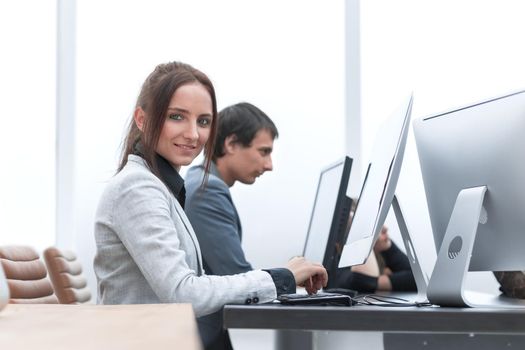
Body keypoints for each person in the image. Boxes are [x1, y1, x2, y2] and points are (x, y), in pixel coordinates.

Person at [93, 62, 327, 327]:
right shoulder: (137, 188)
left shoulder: (160, 186)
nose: (193, 134)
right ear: (142, 119)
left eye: (203, 121)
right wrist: (281, 277)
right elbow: (184, 292)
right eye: (176, 116)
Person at [184, 102, 277, 349]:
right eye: (264, 152)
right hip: (200, 337)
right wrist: (287, 278)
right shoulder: (207, 190)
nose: (269, 165)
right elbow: (235, 274)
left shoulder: (201, 181)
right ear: (231, 144)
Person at [335, 202, 417, 293]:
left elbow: (416, 278)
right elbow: (359, 281)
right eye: (374, 224)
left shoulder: (382, 246)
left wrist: (389, 249)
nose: (385, 228)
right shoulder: (336, 264)